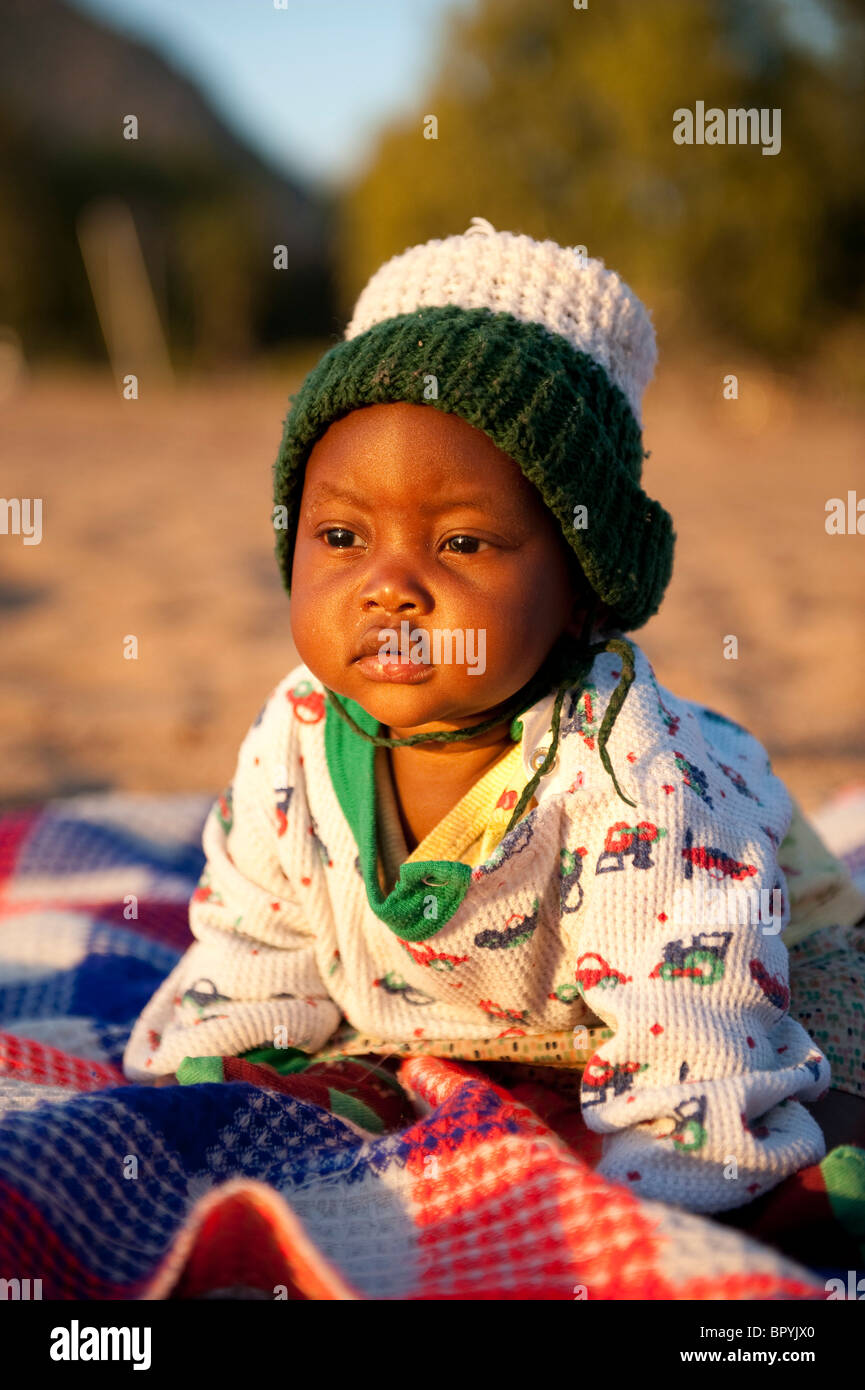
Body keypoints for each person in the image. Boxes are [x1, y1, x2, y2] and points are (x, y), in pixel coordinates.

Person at [123, 219, 865, 1215]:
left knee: (814, 1115)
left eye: (463, 541)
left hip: (746, 959)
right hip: (456, 1015)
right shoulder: (294, 734)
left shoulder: (634, 770)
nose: (389, 586)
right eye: (341, 534)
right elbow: (258, 925)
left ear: (584, 593)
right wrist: (237, 1053)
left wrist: (693, 1171)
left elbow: (700, 1000)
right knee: (291, 1092)